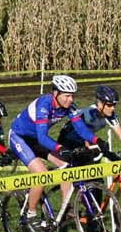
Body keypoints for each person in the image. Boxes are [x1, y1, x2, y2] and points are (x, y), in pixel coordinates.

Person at [9, 75, 100, 224]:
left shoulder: (69, 106)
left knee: (66, 165)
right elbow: (42, 137)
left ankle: (66, 209)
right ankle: (31, 214)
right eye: (67, 96)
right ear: (56, 94)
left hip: (37, 138)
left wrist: (97, 141)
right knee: (41, 173)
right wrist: (60, 147)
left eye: (72, 96)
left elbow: (81, 128)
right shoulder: (44, 104)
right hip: (20, 137)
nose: (71, 99)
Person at [61, 85, 121, 156]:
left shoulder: (110, 115)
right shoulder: (90, 114)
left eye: (114, 105)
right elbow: (83, 133)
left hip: (84, 140)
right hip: (68, 140)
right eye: (109, 105)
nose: (112, 108)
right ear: (100, 103)